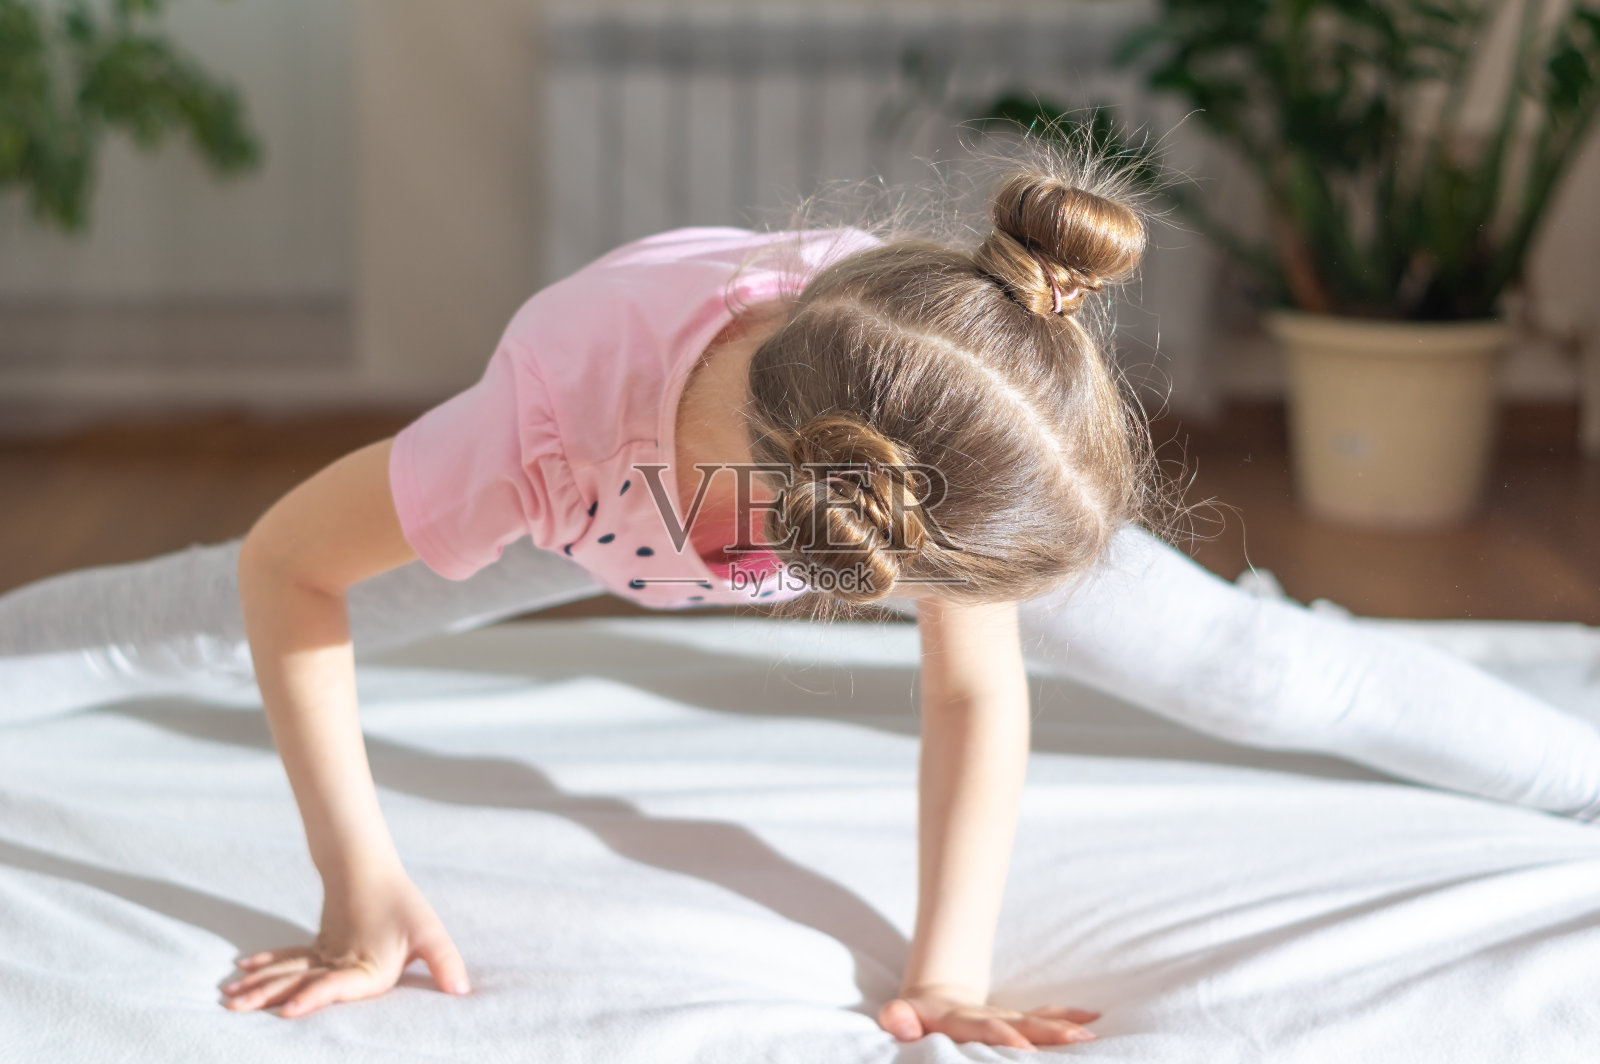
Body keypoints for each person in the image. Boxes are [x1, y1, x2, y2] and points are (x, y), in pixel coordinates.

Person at [4, 144, 1600, 1053]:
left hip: (877, 465)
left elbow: (975, 688)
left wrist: (945, 971)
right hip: (620, 496)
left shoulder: (934, 404)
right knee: (203, 612)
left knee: (1256, 666)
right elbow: (287, 564)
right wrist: (359, 880)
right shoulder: (541, 442)